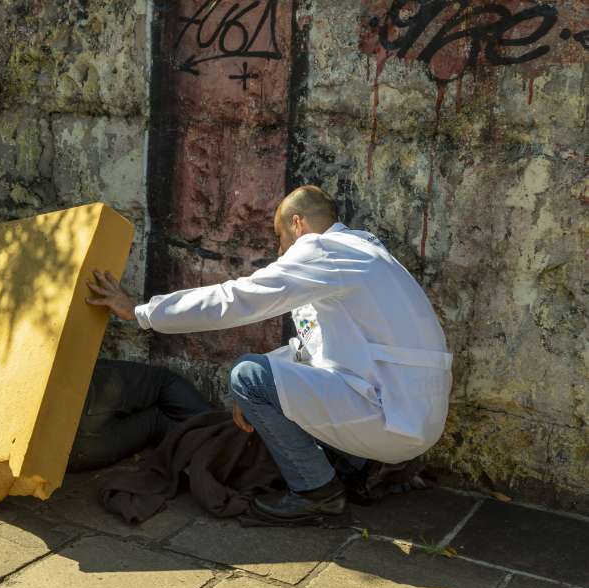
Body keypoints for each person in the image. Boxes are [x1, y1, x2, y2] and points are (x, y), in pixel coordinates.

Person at [85, 186, 453, 529]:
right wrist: (265, 390)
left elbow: (238, 298)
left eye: (279, 238)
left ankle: (316, 495)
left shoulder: (323, 249)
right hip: (416, 420)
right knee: (261, 381)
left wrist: (141, 311)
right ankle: (370, 466)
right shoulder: (370, 254)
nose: (280, 252)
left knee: (247, 375)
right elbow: (315, 349)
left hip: (391, 415)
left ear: (298, 225)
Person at [67, 359, 214, 472]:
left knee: (155, 419)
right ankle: (222, 439)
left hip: (74, 455)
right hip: (76, 393)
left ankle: (213, 451)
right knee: (164, 381)